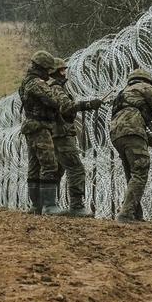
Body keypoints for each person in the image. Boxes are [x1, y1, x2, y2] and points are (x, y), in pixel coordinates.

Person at [110, 68, 152, 222]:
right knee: (140, 171)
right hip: (131, 133)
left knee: (132, 174)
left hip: (116, 136)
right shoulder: (144, 87)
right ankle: (126, 214)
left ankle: (135, 213)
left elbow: (136, 130)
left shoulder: (122, 95)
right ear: (147, 80)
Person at [48, 58, 101, 216]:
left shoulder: (50, 88)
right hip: (62, 133)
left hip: (55, 133)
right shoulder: (56, 88)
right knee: (76, 168)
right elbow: (66, 107)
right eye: (62, 70)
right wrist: (88, 105)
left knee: (56, 171)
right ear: (56, 72)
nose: (65, 73)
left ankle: (48, 205)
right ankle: (76, 206)